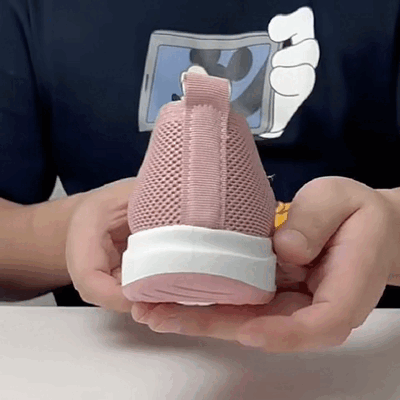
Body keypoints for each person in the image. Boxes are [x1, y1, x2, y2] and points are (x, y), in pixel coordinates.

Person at [1, 0, 400, 353]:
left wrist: (389, 227)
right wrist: (84, 226)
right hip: (109, 355)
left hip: (367, 346)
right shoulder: (29, 9)